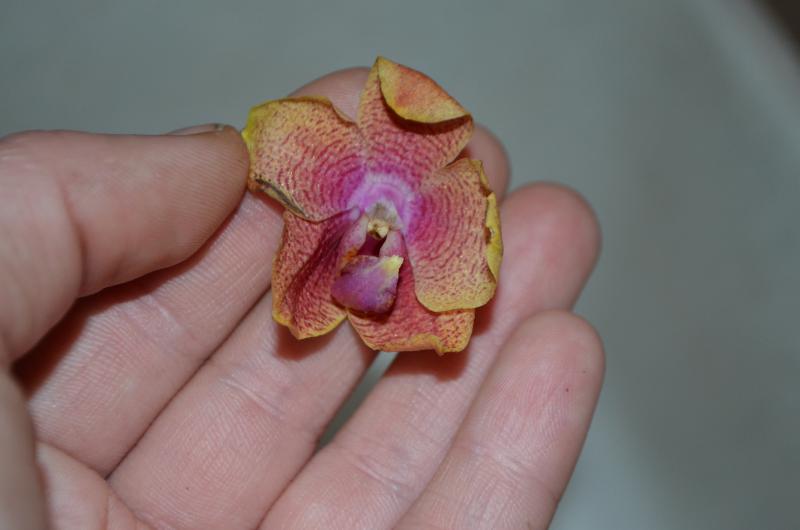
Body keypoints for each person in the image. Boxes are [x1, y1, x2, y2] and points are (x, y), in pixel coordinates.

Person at [0, 68, 604, 530]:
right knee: (303, 308)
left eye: (381, 232)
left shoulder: (451, 222)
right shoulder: (320, 170)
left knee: (438, 320)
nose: (376, 233)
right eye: (377, 230)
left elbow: (453, 310)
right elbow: (270, 142)